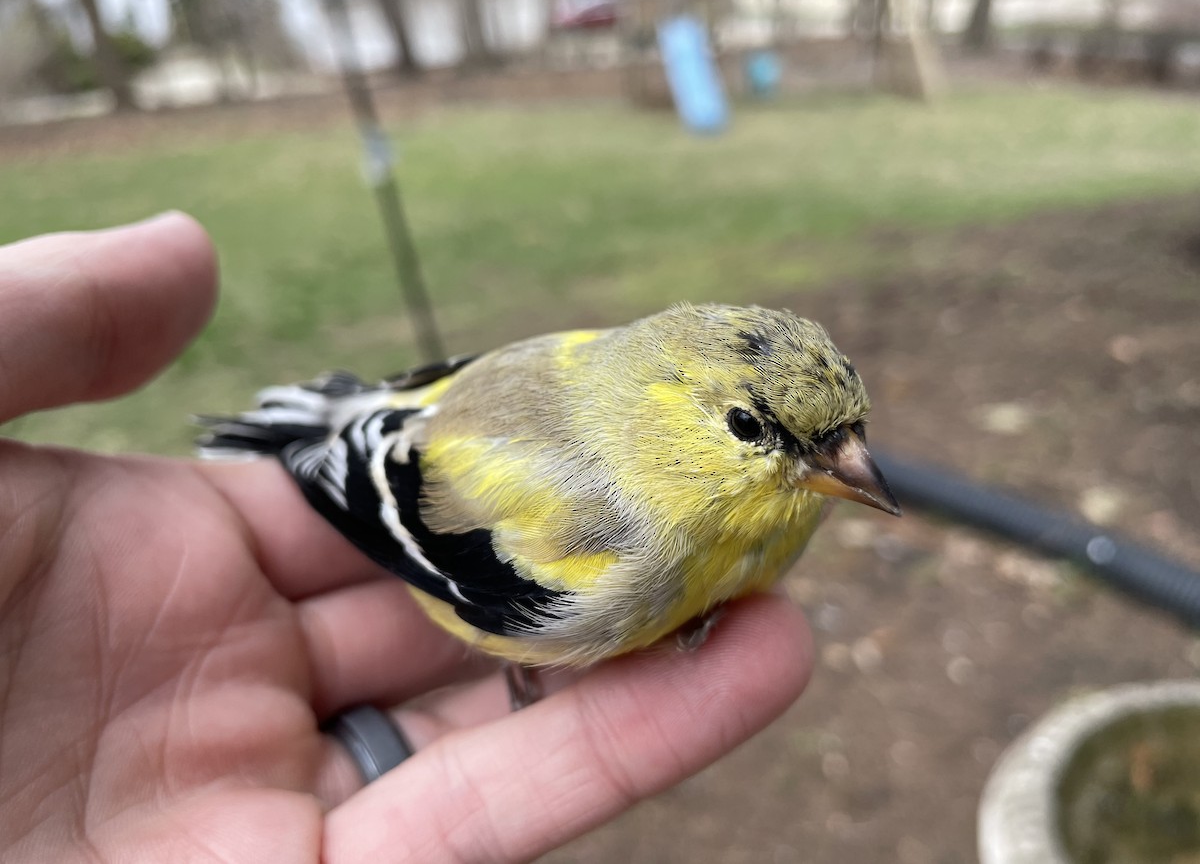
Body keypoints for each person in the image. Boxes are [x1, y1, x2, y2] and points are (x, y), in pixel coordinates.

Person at [0, 213, 812, 862]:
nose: (840, 469)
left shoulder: (620, 370)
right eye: (752, 429)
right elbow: (447, 486)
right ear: (684, 402)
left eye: (845, 440)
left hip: (446, 414)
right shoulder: (611, 540)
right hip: (403, 468)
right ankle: (289, 427)